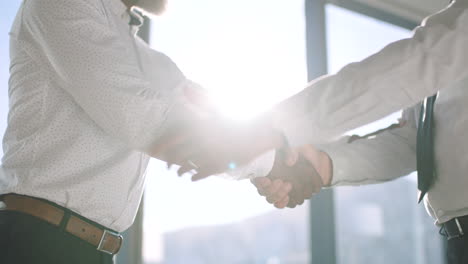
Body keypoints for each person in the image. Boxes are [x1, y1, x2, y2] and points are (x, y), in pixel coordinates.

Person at [0, 0, 312, 263]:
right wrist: (269, 161)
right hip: (38, 242)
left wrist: (263, 158)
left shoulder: (135, 49)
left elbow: (201, 111)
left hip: (87, 249)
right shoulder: (62, 5)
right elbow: (145, 118)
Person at [166, 0, 468, 262]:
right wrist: (323, 165)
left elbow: (425, 61)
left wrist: (272, 129)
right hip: (456, 238)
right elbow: (413, 144)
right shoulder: (451, 21)